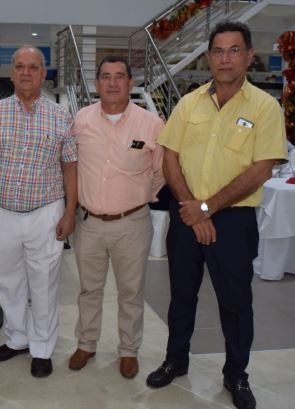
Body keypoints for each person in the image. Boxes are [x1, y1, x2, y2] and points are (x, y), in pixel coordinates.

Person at [146, 21, 287, 409]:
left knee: (236, 302)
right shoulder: (189, 103)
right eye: (218, 51)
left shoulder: (265, 107)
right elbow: (170, 157)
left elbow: (261, 168)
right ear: (208, 57)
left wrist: (207, 208)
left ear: (249, 56)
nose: (225, 59)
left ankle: (236, 374)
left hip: (233, 222)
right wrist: (193, 208)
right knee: (181, 296)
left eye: (234, 50)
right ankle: (176, 360)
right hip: (186, 212)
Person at [0, 45, 78, 378]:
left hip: (46, 211)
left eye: (33, 67)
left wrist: (70, 212)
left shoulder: (61, 116)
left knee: (44, 283)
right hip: (1, 212)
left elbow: (70, 166)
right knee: (7, 281)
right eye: (19, 66)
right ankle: (17, 339)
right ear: (11, 72)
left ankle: (42, 347)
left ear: (43, 73)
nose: (26, 72)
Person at [68, 55, 164, 378]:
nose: (112, 83)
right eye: (106, 76)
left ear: (130, 83)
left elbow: (161, 170)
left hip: (132, 224)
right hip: (89, 223)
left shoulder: (151, 124)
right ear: (97, 83)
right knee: (89, 289)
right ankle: (86, 343)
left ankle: (128, 350)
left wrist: (140, 197)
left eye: (119, 76)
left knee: (131, 292)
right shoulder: (81, 120)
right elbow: (70, 165)